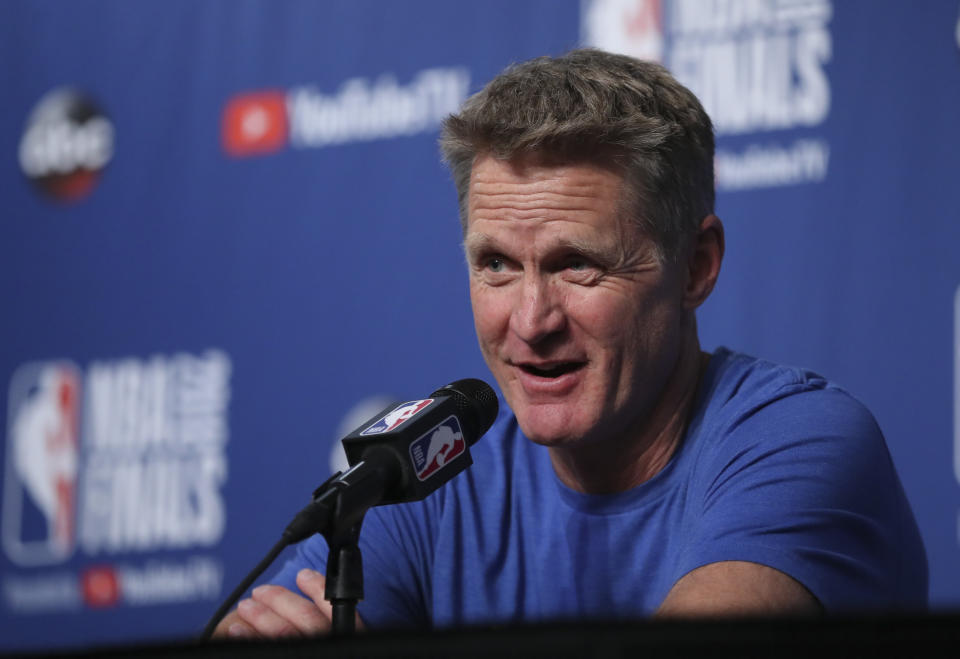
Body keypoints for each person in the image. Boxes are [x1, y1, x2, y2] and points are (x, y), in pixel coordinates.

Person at [213, 49, 927, 638]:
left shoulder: (799, 442)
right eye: (497, 264)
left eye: (576, 263)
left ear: (696, 266)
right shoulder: (431, 474)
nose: (530, 319)